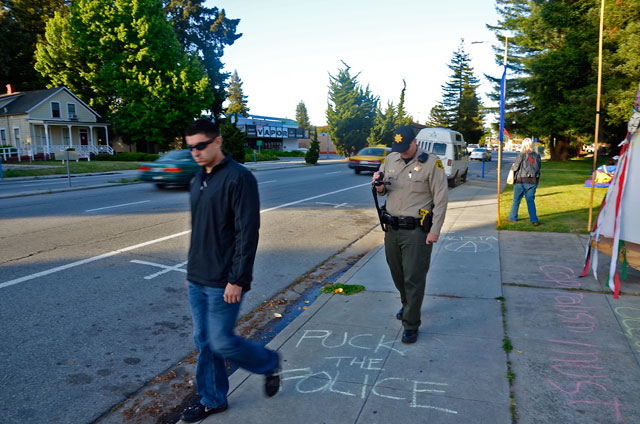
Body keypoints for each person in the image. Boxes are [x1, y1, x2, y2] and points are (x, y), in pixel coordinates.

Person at [180, 119, 280, 423]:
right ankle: (212, 400)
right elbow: (202, 231)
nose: (195, 152)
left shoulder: (239, 178)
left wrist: (237, 279)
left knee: (221, 341)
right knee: (204, 342)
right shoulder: (198, 179)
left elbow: (247, 233)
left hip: (224, 281)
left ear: (217, 142)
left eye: (201, 146)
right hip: (197, 277)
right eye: (190, 148)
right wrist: (191, 273)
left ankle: (268, 362)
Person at [372, 126, 448, 344]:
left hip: (417, 231)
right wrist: (378, 185)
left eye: (405, 148)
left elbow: (441, 200)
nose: (402, 152)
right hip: (392, 228)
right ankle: (408, 305)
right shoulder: (390, 160)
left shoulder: (432, 163)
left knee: (413, 277)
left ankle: (411, 323)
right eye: (399, 148)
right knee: (397, 273)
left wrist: (435, 231)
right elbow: (384, 189)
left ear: (415, 142)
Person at [508, 138, 542, 226]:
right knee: (530, 201)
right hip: (533, 180)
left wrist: (512, 168)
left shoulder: (521, 155)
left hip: (521, 180)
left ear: (523, 145)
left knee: (516, 200)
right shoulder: (537, 156)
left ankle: (512, 217)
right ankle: (534, 219)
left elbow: (515, 167)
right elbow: (539, 168)